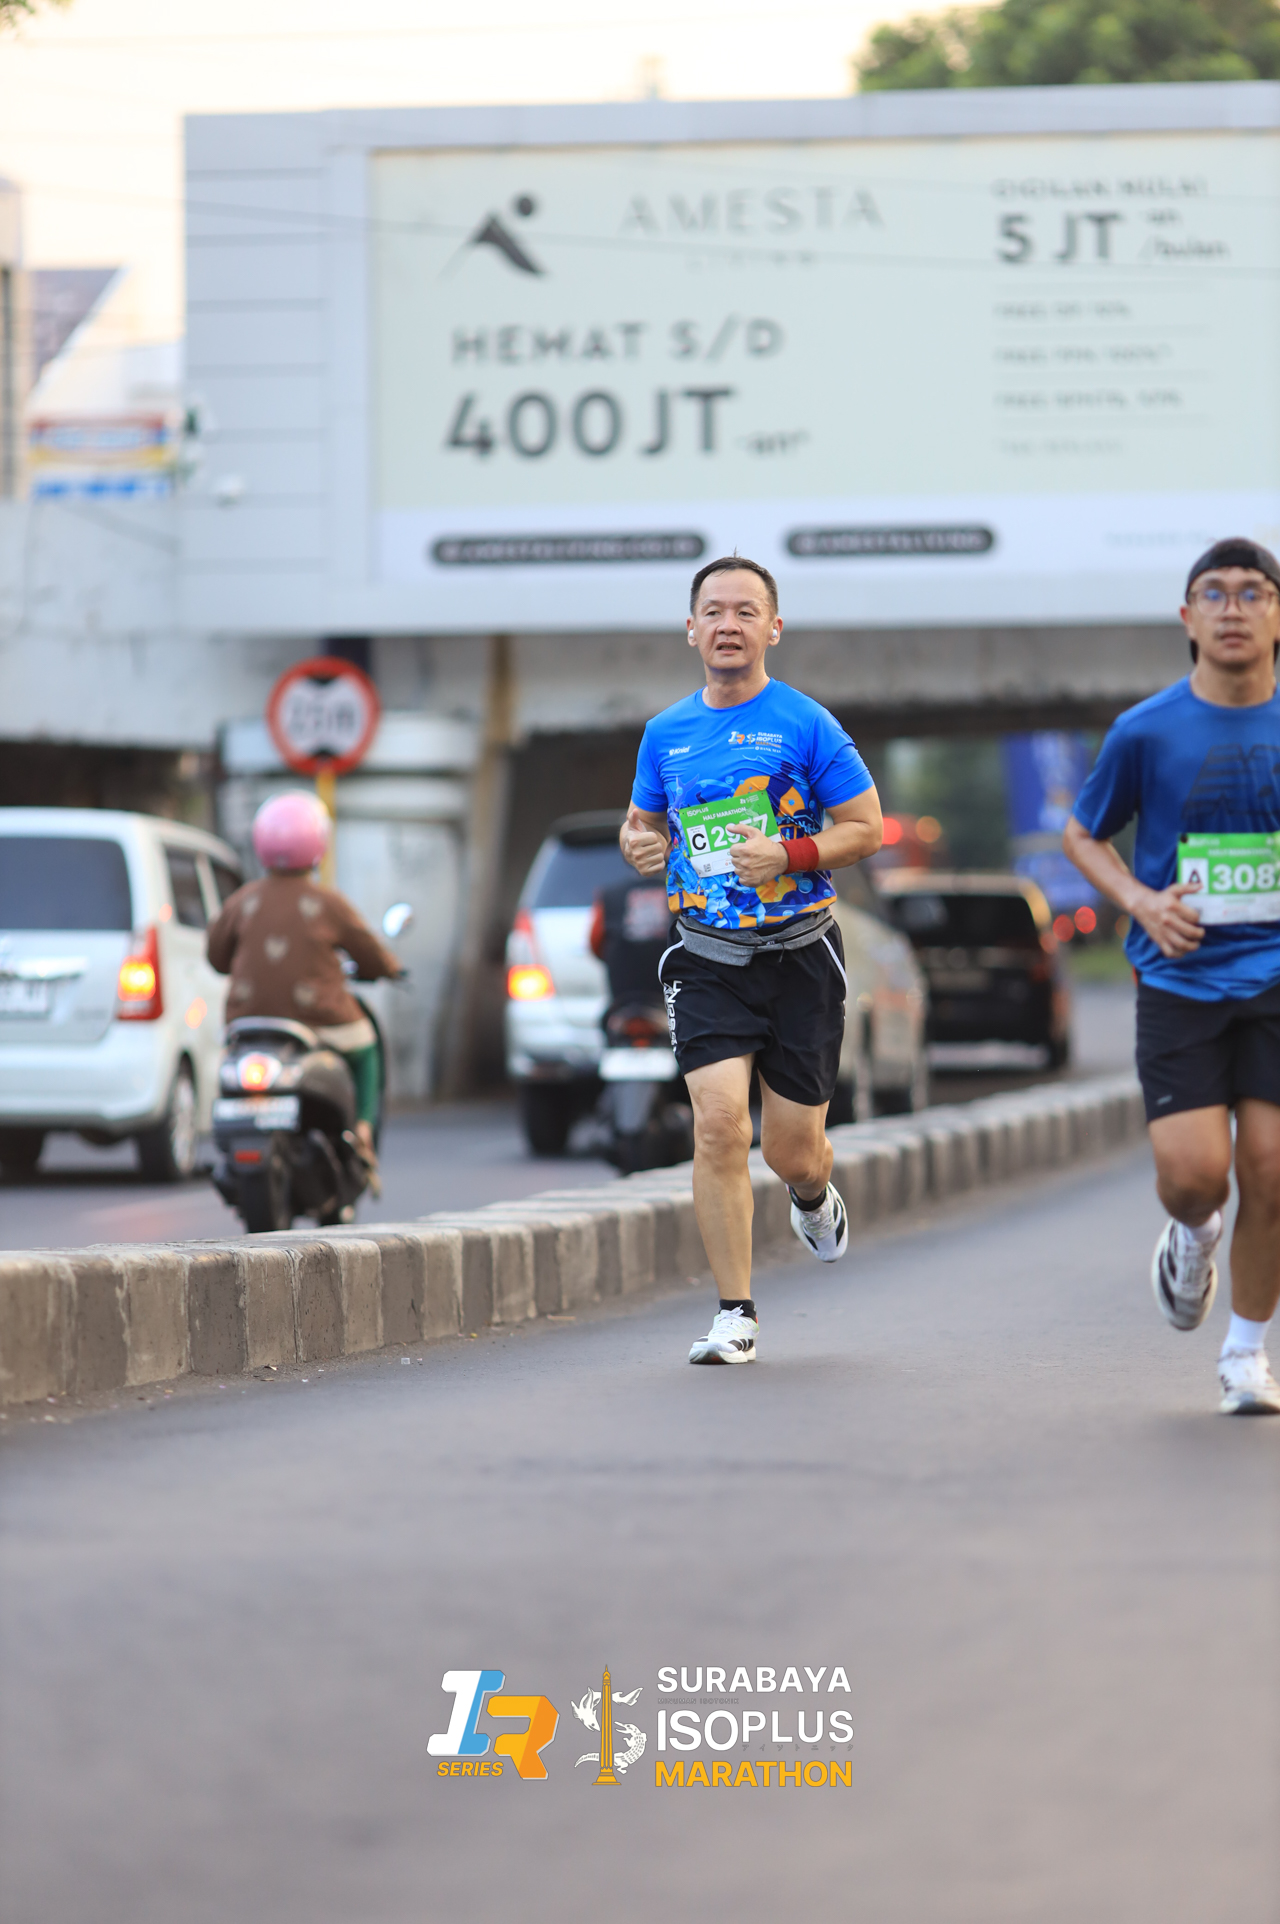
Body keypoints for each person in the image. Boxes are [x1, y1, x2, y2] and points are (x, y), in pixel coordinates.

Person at [621, 554, 883, 1364]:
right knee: (718, 1126)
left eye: (745, 611)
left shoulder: (806, 723)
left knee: (789, 1149)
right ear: (691, 629)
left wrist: (789, 854)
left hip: (800, 955)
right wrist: (638, 843)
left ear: (773, 628)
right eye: (714, 611)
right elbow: (641, 824)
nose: (728, 625)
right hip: (706, 957)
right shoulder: (665, 733)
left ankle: (812, 1193)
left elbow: (866, 828)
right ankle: (734, 1313)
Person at [1064, 536, 1280, 1415]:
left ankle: (1246, 1354)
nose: (1234, 608)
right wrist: (1141, 902)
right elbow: (1083, 832)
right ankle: (1194, 1235)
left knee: (1272, 1168)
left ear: (1277, 615)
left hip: (1276, 981)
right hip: (1181, 980)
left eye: (1253, 592)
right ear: (1188, 618)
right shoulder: (1146, 730)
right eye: (1214, 594)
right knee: (1197, 1177)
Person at [206, 791, 404, 1195]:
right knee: (366, 1046)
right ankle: (363, 1132)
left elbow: (216, 956)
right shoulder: (327, 903)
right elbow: (369, 953)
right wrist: (390, 968)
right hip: (318, 1022)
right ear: (318, 845)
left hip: (247, 1024)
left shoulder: (243, 901)